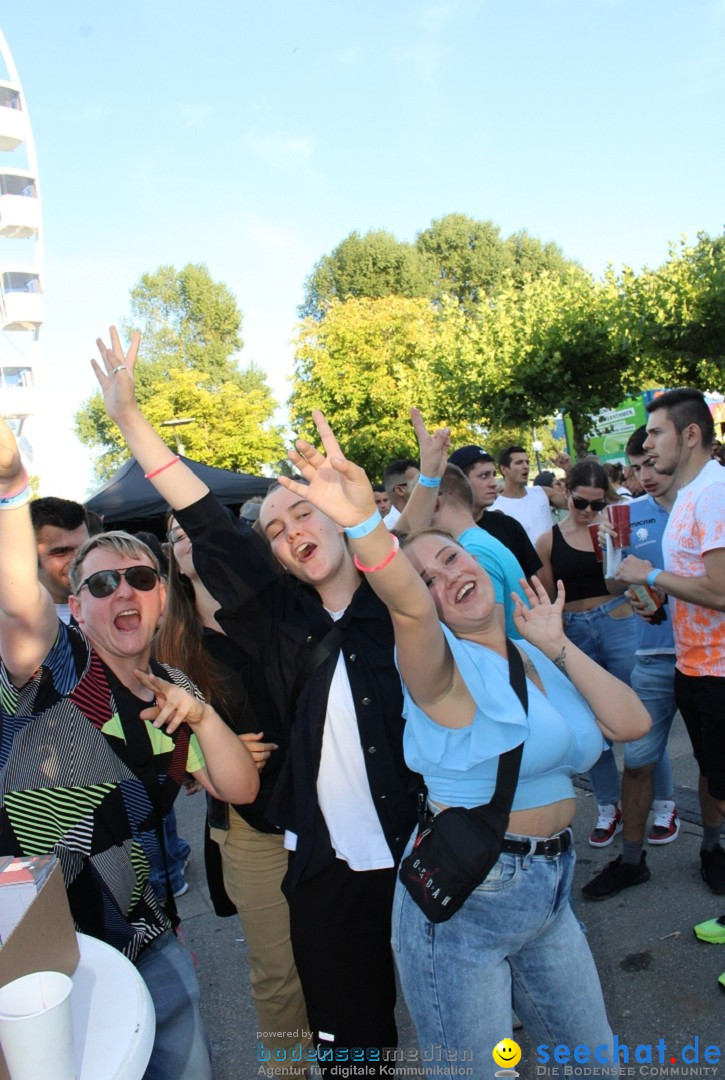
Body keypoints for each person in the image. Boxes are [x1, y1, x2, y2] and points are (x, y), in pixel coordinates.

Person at [277, 409, 650, 1080]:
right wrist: (363, 521)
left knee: (593, 1067)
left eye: (448, 558)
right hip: (465, 909)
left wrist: (558, 645)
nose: (446, 577)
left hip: (549, 890)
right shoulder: (434, 671)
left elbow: (631, 725)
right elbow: (409, 606)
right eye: (425, 580)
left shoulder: (528, 651)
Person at [95, 327, 419, 1077]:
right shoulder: (278, 621)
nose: (290, 530)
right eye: (273, 528)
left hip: (426, 855)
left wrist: (374, 508)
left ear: (339, 516)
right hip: (326, 875)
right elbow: (207, 519)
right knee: (355, 1051)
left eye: (302, 512)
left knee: (462, 1029)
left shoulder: (400, 605)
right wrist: (130, 422)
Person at [0, 415, 259, 1080]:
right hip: (37, 950)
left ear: (162, 597)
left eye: (141, 579)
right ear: (76, 606)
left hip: (146, 935)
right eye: (101, 583)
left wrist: (200, 716)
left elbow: (239, 788)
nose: (124, 592)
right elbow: (22, 611)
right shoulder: (57, 666)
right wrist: (9, 487)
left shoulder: (171, 686)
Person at [156, 514, 311, 1073]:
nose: (188, 539)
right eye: (175, 535)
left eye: (194, 527)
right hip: (251, 821)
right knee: (278, 971)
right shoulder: (168, 642)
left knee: (346, 954)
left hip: (327, 806)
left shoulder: (284, 605)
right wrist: (203, 762)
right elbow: (155, 736)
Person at [616, 388, 725, 902]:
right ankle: (632, 860)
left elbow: (722, 592)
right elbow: (692, 588)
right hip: (691, 667)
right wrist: (655, 603)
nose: (648, 445)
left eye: (657, 432)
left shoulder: (714, 492)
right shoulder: (690, 497)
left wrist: (651, 572)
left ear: (690, 435)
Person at [535, 458, 671, 848]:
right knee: (593, 725)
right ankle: (610, 807)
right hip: (575, 630)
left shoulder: (616, 526)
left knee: (644, 717)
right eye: (582, 503)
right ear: (567, 494)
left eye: (598, 503)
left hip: (618, 621)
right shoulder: (549, 539)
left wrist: (615, 542)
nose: (590, 511)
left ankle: (663, 803)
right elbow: (547, 595)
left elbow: (630, 577)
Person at [582, 427, 681, 900]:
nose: (645, 476)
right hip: (653, 654)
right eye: (635, 467)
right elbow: (616, 585)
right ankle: (631, 861)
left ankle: (714, 850)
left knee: (714, 763)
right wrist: (612, 555)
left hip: (711, 658)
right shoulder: (625, 513)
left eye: (651, 464)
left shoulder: (706, 503)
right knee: (638, 759)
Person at [447, 445, 542, 577]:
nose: (493, 483)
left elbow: (533, 584)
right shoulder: (442, 536)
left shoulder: (509, 526)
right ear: (458, 482)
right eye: (484, 476)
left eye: (493, 475)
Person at [30, 496, 90, 624]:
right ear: (30, 556)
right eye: (61, 552)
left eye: (85, 548)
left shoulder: (115, 605)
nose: (78, 560)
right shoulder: (11, 623)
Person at [491, 445, 552, 545]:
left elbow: (576, 501)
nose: (526, 466)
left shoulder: (543, 492)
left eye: (527, 462)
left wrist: (567, 468)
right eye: (519, 463)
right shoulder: (496, 510)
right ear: (504, 469)